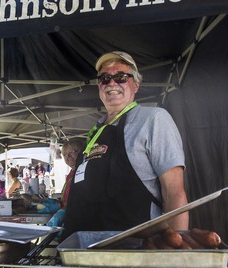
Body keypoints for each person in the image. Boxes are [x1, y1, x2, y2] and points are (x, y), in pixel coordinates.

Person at [61, 51, 189, 240]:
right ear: (99, 86)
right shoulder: (95, 131)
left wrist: (178, 248)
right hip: (81, 251)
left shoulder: (153, 119)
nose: (112, 83)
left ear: (135, 85)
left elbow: (174, 192)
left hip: (133, 254)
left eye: (121, 77)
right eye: (105, 78)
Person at [47, 139, 85, 227]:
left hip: (80, 219)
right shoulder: (70, 174)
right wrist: (58, 202)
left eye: (72, 152)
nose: (68, 157)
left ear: (82, 152)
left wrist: (60, 207)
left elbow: (81, 200)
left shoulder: (84, 172)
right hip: (70, 217)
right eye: (64, 155)